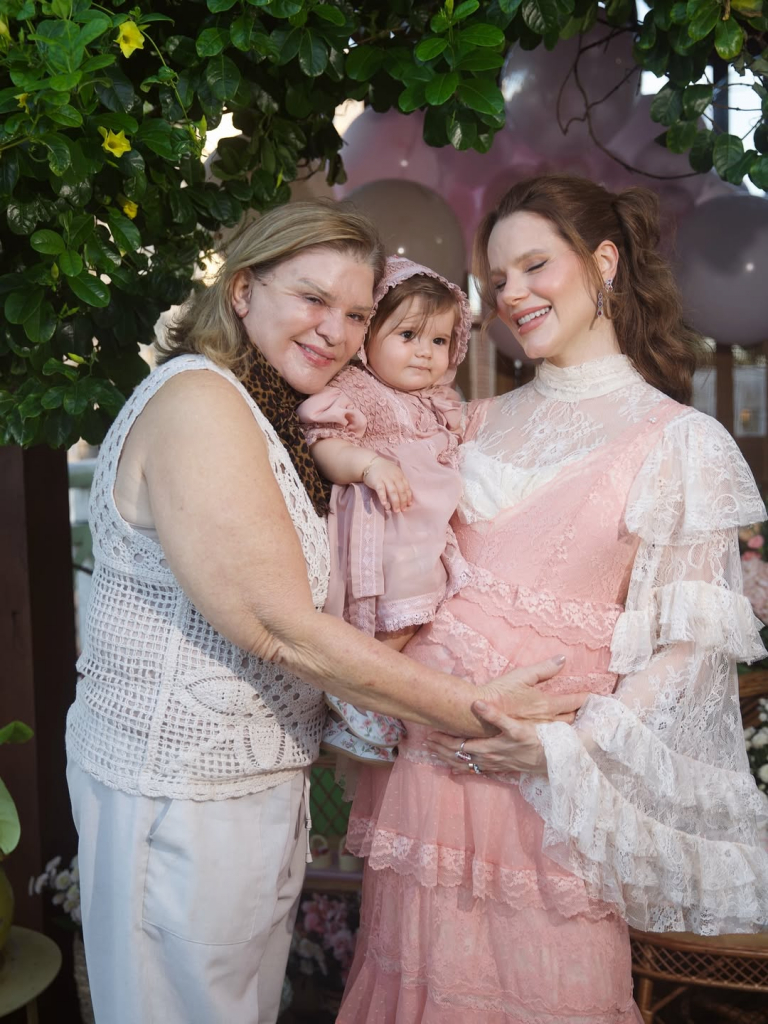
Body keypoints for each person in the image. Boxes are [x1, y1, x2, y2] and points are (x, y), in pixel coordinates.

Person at [64, 199, 583, 1024]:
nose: (335, 331)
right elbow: (276, 625)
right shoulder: (200, 401)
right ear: (241, 291)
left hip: (252, 787)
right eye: (312, 299)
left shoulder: (270, 410)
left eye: (354, 313)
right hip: (179, 795)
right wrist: (472, 708)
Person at [338, 175, 768, 1024]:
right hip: (428, 776)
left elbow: (689, 658)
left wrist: (564, 752)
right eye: (498, 281)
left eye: (536, 266)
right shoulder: (469, 420)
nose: (514, 296)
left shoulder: (683, 444)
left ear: (603, 262)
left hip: (544, 799)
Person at [298, 257, 473, 765]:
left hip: (425, 531)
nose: (425, 353)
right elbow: (323, 443)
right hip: (385, 529)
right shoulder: (356, 389)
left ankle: (356, 703)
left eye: (439, 341)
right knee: (397, 610)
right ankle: (354, 690)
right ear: (369, 333)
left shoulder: (437, 400)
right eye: (409, 335)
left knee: (421, 613)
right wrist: (368, 464)